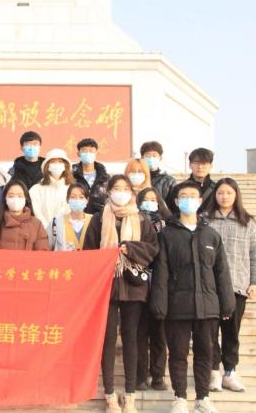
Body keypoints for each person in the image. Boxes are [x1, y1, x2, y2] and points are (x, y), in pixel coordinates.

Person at [150, 180, 235, 413]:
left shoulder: (211, 235)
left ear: (199, 201)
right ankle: (179, 397)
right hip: (178, 305)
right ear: (176, 202)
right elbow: (161, 272)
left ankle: (203, 398)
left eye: (192, 196)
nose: (188, 200)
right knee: (178, 354)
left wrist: (227, 303)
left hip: (208, 306)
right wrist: (159, 304)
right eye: (183, 196)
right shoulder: (167, 234)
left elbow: (222, 272)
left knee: (205, 353)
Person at [83, 175, 159, 413]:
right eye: (117, 188)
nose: (121, 192)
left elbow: (153, 250)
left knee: (131, 339)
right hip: (105, 286)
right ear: (108, 192)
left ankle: (130, 394)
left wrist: (130, 249)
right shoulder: (99, 218)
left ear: (132, 193)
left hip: (134, 287)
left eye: (125, 188)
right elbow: (88, 253)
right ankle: (109, 394)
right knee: (107, 340)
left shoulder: (142, 219)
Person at [206, 178, 256, 393]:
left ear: (236, 195)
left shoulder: (247, 222)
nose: (224, 197)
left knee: (232, 332)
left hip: (237, 285)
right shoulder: (205, 220)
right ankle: (213, 372)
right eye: (220, 193)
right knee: (210, 332)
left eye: (229, 193)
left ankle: (230, 372)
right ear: (215, 195)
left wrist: (255, 282)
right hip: (210, 286)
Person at [135, 187, 171, 392]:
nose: (149, 202)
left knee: (159, 333)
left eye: (153, 199)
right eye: (145, 199)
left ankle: (158, 375)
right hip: (138, 280)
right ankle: (140, 376)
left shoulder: (167, 224)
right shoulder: (134, 222)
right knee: (140, 333)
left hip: (161, 282)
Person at [0, 179, 49, 250]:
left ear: (25, 199)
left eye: (20, 196)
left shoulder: (37, 225)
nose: (15, 199)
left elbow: (42, 253)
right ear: (5, 199)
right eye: (11, 196)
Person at [29, 148, 73, 227]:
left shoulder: (72, 189)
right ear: (47, 166)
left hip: (67, 232)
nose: (57, 165)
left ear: (65, 165)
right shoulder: (35, 190)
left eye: (60, 161)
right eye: (53, 161)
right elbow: (37, 214)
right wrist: (48, 230)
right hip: (42, 232)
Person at [168, 148, 216, 213]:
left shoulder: (217, 189)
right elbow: (172, 211)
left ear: (211, 166)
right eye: (196, 163)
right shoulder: (178, 188)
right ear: (190, 165)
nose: (200, 167)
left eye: (204, 163)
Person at [48, 183, 93, 251]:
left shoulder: (93, 221)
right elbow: (47, 247)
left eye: (81, 197)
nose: (77, 200)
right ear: (67, 199)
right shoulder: (56, 222)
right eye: (73, 197)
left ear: (87, 200)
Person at [72, 138, 109, 215]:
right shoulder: (72, 176)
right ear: (78, 153)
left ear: (96, 153)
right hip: (77, 216)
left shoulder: (104, 177)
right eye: (84, 151)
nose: (88, 153)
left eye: (91, 151)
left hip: (99, 217)